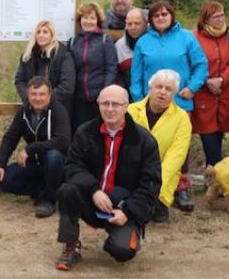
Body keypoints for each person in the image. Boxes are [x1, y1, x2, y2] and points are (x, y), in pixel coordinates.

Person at [53, 85, 161, 271]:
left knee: (123, 251)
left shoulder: (145, 141)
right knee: (67, 190)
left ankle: (125, 236)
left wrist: (128, 212)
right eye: (105, 103)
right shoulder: (84, 132)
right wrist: (94, 190)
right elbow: (72, 166)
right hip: (91, 200)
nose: (110, 109)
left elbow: (150, 185)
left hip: (121, 206)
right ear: (98, 104)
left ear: (126, 106)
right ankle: (71, 245)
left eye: (116, 104)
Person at [129, 0, 207, 211]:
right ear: (151, 20)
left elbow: (201, 65)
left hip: (180, 102)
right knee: (145, 147)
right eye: (156, 16)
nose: (161, 18)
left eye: (165, 14)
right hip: (149, 105)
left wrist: (192, 87)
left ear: (172, 16)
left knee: (179, 150)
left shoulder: (186, 38)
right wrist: (138, 100)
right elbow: (136, 75)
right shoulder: (144, 42)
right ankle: (145, 186)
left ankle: (180, 188)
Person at [0, 76, 70, 218]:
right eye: (34, 94)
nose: (37, 98)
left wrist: (30, 148)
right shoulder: (24, 111)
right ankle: (43, 191)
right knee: (3, 180)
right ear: (28, 94)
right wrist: (0, 165)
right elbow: (10, 137)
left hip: (57, 165)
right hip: (35, 163)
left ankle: (48, 201)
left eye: (41, 94)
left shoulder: (59, 110)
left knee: (53, 155)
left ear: (49, 95)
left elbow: (63, 141)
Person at [128, 70, 192, 222]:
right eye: (159, 87)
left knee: (156, 216)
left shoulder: (182, 118)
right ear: (150, 89)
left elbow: (176, 157)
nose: (162, 92)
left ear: (174, 94)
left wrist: (152, 185)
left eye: (168, 89)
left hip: (161, 181)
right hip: (131, 176)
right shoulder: (130, 111)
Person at [192, 0, 229, 168]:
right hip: (204, 95)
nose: (221, 19)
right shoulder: (194, 37)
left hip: (225, 93)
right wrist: (207, 81)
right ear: (205, 19)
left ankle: (216, 172)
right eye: (215, 16)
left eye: (222, 15)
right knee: (208, 134)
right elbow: (191, 63)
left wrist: (222, 79)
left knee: (219, 132)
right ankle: (215, 173)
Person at [68, 2, 118, 129]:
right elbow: (69, 70)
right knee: (80, 133)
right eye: (85, 17)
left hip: (99, 98)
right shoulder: (73, 42)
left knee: (99, 132)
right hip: (79, 99)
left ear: (98, 20)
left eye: (92, 18)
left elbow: (111, 69)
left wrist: (104, 94)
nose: (88, 21)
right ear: (80, 20)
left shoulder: (105, 40)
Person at [13, 20, 75, 107]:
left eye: (45, 32)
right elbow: (19, 80)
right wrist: (30, 99)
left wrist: (44, 100)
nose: (41, 35)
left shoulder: (63, 55)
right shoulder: (27, 56)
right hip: (32, 107)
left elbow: (67, 86)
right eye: (38, 32)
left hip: (57, 107)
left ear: (52, 35)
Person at [115, 8, 146, 90]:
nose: (133, 27)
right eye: (129, 24)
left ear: (145, 24)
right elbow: (117, 74)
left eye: (137, 23)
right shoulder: (119, 46)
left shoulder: (154, 43)